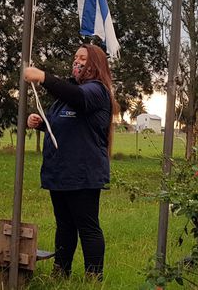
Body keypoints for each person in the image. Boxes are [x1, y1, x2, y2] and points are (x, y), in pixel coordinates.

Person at [25, 43, 117, 280]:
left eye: (83, 58)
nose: (77, 61)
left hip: (83, 174)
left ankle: (93, 278)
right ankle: (61, 272)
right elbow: (65, 125)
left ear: (94, 64)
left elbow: (77, 98)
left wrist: (43, 77)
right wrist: (43, 124)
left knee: (87, 227)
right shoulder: (66, 96)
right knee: (64, 225)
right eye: (75, 57)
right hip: (61, 172)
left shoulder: (97, 90)